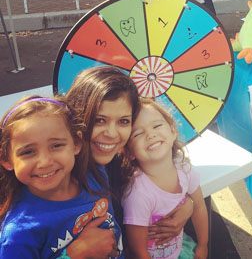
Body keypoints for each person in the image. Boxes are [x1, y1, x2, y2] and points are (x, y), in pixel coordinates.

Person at [64, 66, 193, 258]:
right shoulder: (56, 181)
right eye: (99, 120)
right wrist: (71, 255)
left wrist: (187, 206)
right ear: (77, 117)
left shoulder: (121, 164)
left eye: (123, 121)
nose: (111, 133)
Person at [0, 95, 120, 258]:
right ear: (7, 160)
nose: (44, 162)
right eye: (28, 152)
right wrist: (73, 255)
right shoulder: (18, 232)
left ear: (76, 143)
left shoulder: (95, 175)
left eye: (56, 145)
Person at [121, 98, 208, 259]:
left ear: (173, 130)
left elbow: (199, 207)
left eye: (157, 125)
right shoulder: (138, 195)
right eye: (138, 134)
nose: (150, 134)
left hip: (181, 250)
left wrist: (202, 246)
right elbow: (138, 251)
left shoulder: (184, 169)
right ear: (129, 152)